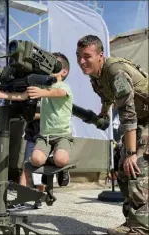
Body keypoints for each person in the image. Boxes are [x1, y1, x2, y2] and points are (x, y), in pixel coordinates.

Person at [76, 35, 148, 235]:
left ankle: (141, 229)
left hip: (144, 117)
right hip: (138, 119)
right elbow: (107, 96)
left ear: (101, 55)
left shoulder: (116, 72)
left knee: (135, 167)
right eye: (78, 56)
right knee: (122, 170)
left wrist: (132, 152)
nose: (82, 61)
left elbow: (128, 114)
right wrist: (103, 111)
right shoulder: (96, 74)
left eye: (87, 56)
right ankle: (131, 222)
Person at [0, 52, 73, 188]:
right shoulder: (42, 86)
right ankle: (47, 167)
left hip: (62, 135)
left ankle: (62, 169)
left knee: (61, 159)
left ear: (64, 72)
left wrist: (43, 93)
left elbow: (59, 93)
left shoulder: (64, 87)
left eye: (54, 66)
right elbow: (23, 96)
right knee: (36, 160)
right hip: (44, 136)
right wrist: (3, 95)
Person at [7, 100, 45, 211]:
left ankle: (39, 197)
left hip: (44, 138)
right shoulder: (30, 99)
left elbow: (49, 115)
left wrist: (32, 116)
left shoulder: (49, 97)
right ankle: (21, 200)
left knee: (39, 169)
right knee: (26, 168)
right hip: (32, 136)